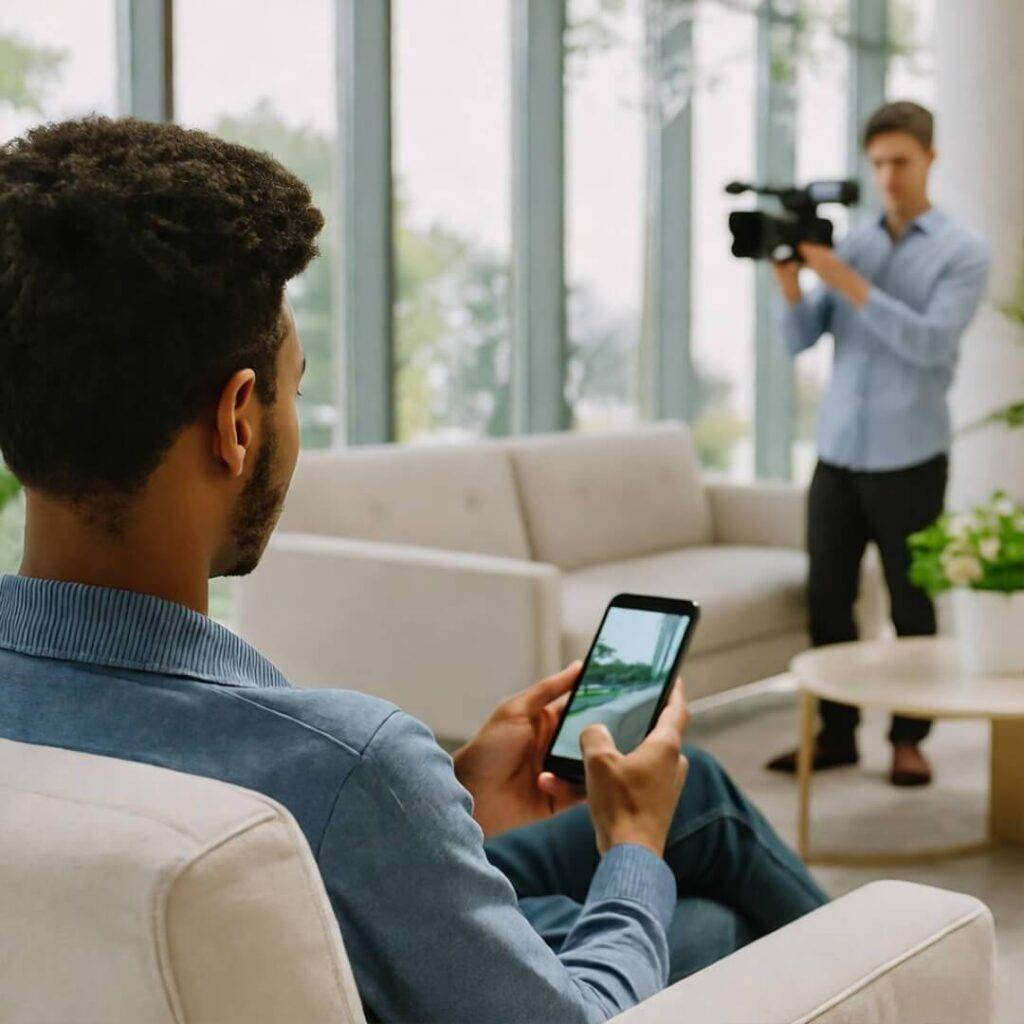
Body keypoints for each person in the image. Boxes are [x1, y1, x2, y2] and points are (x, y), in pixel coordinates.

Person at [0, 118, 825, 1023]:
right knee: (695, 911)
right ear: (238, 420)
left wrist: (450, 808)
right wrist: (631, 846)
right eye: (295, 388)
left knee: (692, 791)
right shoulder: (342, 768)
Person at [766, 101, 991, 787]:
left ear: (929, 159)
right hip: (837, 454)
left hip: (910, 459)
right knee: (827, 598)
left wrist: (847, 283)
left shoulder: (961, 253)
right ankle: (836, 735)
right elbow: (801, 340)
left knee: (909, 604)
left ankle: (908, 739)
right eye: (879, 164)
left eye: (901, 162)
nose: (889, 177)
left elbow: (929, 345)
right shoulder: (853, 245)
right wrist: (790, 282)